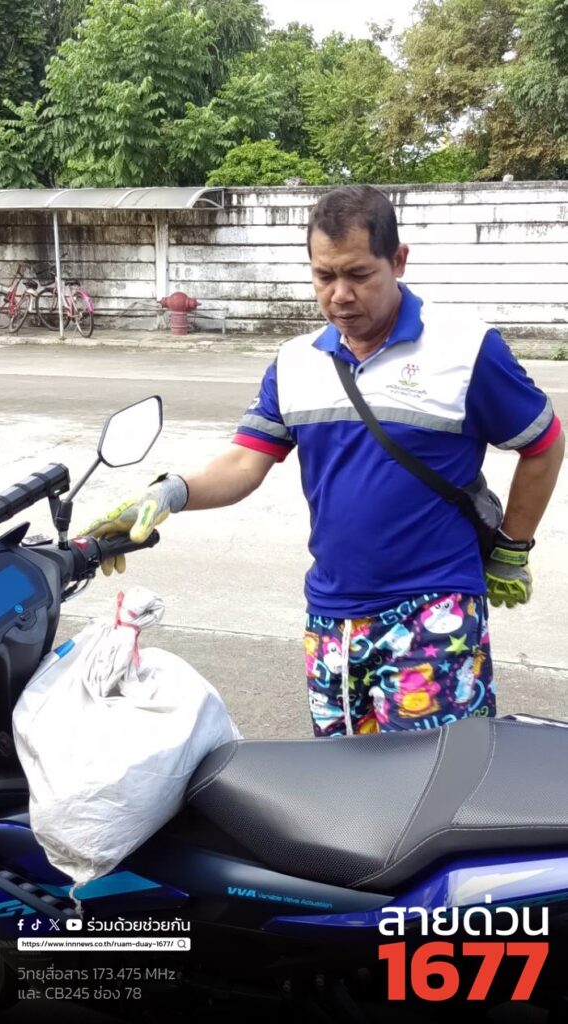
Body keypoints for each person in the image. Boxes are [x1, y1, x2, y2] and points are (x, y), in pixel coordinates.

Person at [83, 186, 564, 737]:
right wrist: (168, 492)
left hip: (435, 610)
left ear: (398, 260)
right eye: (324, 276)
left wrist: (512, 547)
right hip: (332, 616)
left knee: (435, 777)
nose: (340, 295)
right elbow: (244, 463)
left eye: (359, 275)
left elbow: (544, 443)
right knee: (341, 777)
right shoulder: (295, 362)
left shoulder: (465, 350)